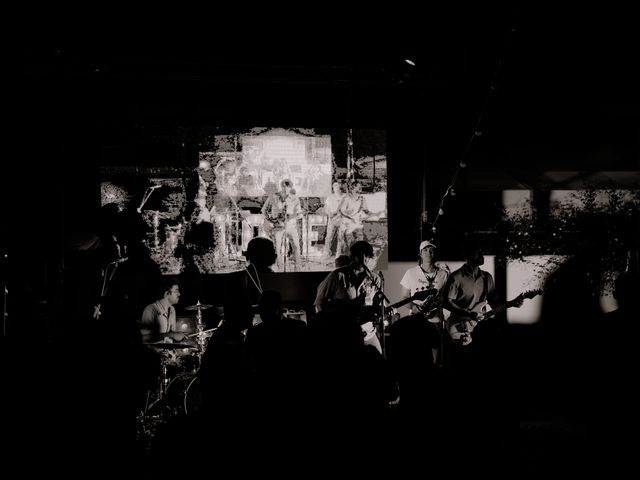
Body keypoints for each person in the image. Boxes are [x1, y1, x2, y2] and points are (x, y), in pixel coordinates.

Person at [314, 240, 382, 352]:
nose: (363, 260)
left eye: (366, 257)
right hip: (343, 334)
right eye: (359, 256)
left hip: (367, 332)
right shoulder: (337, 276)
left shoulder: (375, 279)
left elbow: (377, 305)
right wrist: (325, 327)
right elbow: (319, 301)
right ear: (352, 256)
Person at [397, 240, 449, 366]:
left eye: (431, 250)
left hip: (436, 320)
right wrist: (415, 308)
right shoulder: (410, 273)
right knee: (416, 353)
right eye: (425, 250)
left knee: (435, 354)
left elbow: (447, 298)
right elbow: (404, 297)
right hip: (416, 318)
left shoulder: (444, 274)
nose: (429, 252)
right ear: (420, 254)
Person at [261, 178, 303, 269]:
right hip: (277, 226)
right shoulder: (273, 197)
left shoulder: (295, 198)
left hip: (291, 226)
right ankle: (279, 267)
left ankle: (298, 267)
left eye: (288, 186)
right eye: (284, 186)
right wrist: (270, 220)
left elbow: (299, 214)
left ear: (290, 187)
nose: (285, 188)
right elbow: (264, 210)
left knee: (296, 245)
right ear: (281, 186)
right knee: (277, 247)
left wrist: (291, 216)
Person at [139, 279, 184, 343]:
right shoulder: (150, 309)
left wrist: (179, 335)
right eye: (176, 291)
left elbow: (172, 335)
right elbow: (145, 338)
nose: (179, 294)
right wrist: (172, 335)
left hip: (167, 351)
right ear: (167, 294)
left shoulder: (172, 310)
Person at [321, 181, 346, 261]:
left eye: (338, 187)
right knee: (329, 237)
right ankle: (326, 253)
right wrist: (330, 214)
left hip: (341, 220)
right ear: (333, 188)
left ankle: (338, 255)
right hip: (332, 220)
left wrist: (339, 214)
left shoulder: (344, 197)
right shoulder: (330, 197)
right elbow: (326, 208)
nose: (337, 189)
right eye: (335, 187)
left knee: (340, 238)